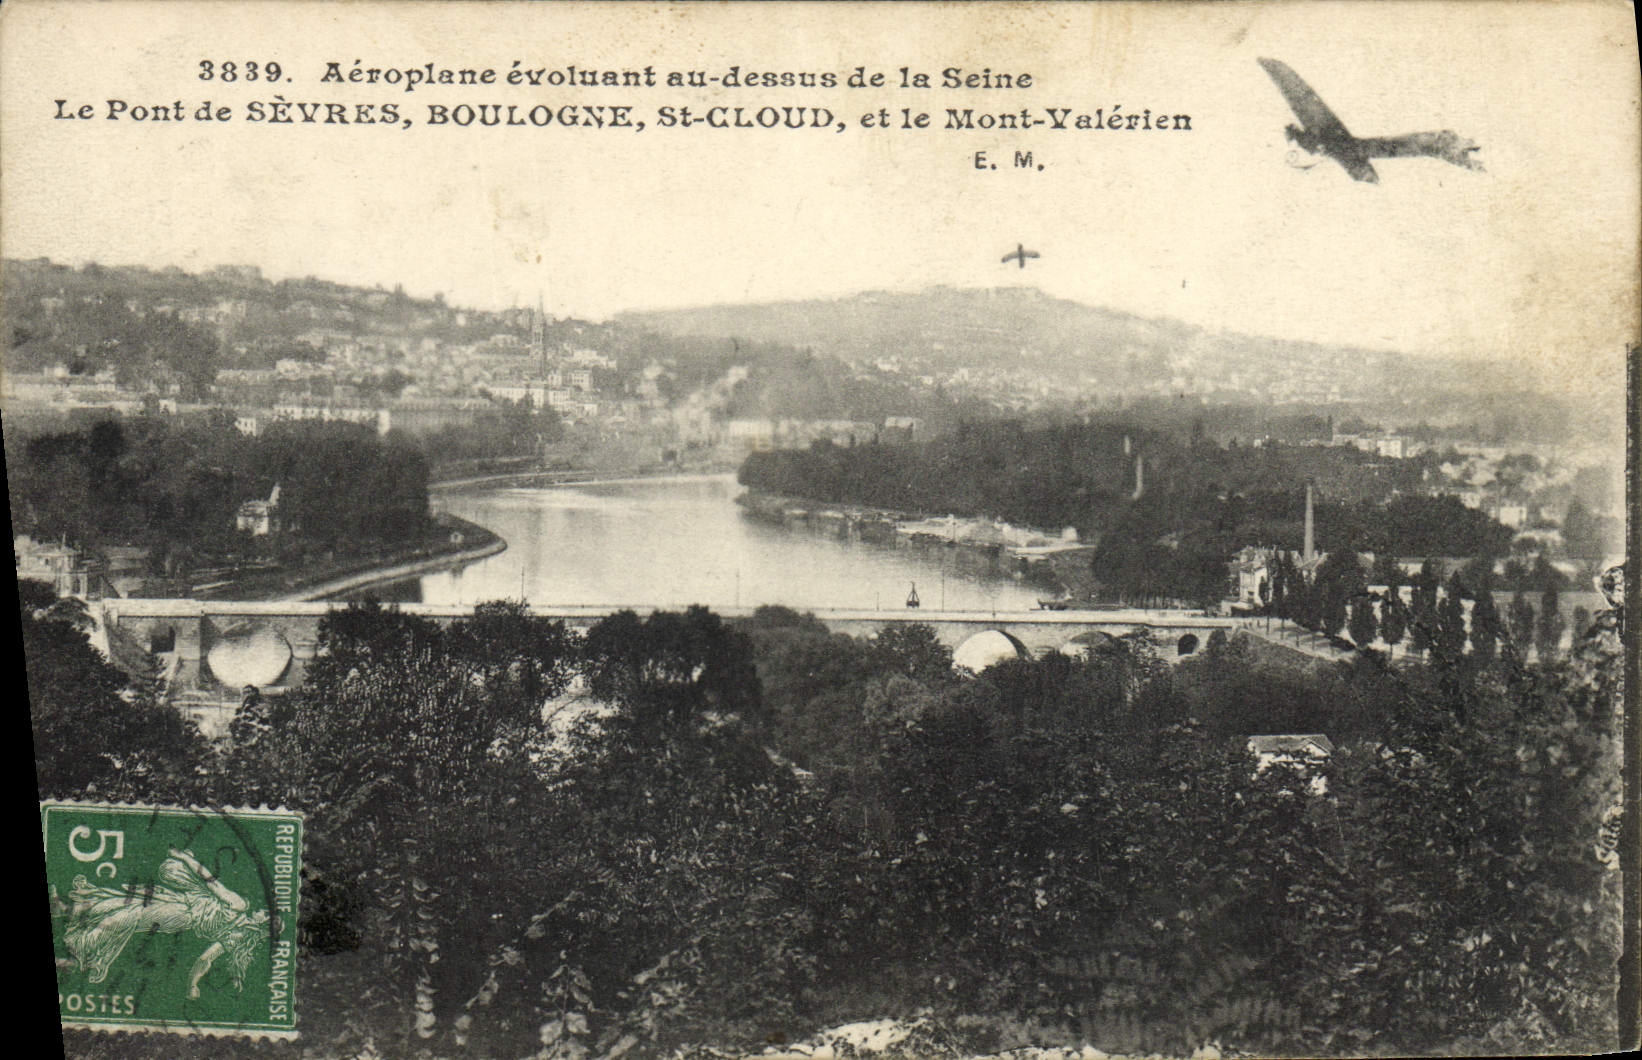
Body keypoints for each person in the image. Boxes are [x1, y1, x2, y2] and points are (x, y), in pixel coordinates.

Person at [63, 847, 269, 998]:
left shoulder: (239, 905)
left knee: (130, 914)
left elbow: (210, 881)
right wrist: (192, 986)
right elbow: (205, 960)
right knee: (126, 904)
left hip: (181, 913)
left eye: (266, 914)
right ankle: (77, 910)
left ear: (262, 924)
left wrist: (185, 857)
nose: (262, 910)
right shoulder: (235, 936)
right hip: (180, 903)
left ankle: (79, 943)